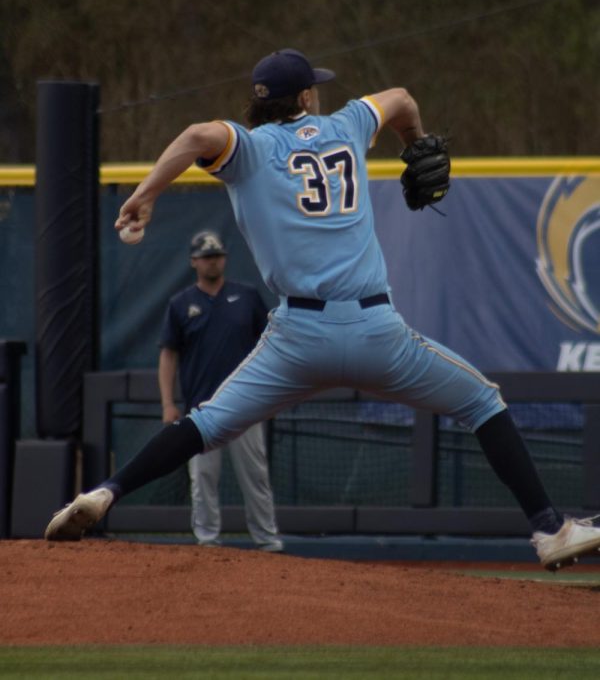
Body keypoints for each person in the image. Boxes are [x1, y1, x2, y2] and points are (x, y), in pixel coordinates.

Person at [46, 47, 600, 571]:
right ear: (307, 98)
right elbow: (403, 97)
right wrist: (415, 142)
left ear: (262, 102)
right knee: (482, 402)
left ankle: (104, 492)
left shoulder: (249, 148)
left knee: (206, 423)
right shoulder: (347, 125)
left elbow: (195, 135)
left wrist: (145, 193)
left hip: (296, 340)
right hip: (374, 332)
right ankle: (549, 530)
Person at [158, 228, 283, 551]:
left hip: (247, 404)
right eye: (206, 257)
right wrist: (168, 402)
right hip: (202, 407)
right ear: (194, 262)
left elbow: (270, 344)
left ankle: (267, 541)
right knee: (202, 480)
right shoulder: (181, 303)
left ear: (225, 259)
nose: (212, 262)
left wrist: (272, 394)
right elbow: (169, 354)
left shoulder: (247, 296)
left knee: (255, 477)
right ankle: (208, 541)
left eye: (217, 256)